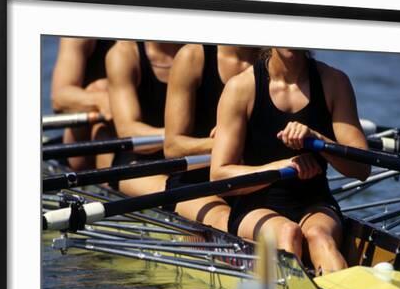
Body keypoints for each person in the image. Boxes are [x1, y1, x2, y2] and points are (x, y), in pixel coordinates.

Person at [210, 48, 370, 274]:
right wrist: (278, 167)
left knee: (319, 237)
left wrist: (319, 141)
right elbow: (219, 175)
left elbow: (361, 168)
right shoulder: (241, 88)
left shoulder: (334, 83)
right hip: (255, 205)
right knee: (288, 233)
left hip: (314, 202)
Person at [163, 44, 258, 231]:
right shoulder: (192, 57)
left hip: (250, 182)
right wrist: (226, 140)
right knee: (229, 221)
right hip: (195, 182)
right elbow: (172, 146)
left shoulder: (274, 63)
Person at [105, 41, 182, 196]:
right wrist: (183, 139)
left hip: (193, 158)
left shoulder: (201, 53)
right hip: (138, 162)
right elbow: (128, 130)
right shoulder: (124, 54)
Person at [51, 37, 115, 170]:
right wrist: (108, 102)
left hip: (148, 130)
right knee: (101, 87)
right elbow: (59, 98)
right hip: (92, 135)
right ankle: (112, 180)